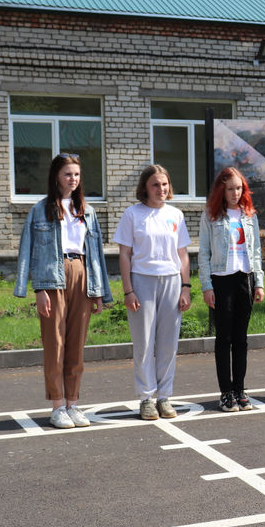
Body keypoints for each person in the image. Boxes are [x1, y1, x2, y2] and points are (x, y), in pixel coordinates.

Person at [14, 153, 113, 429]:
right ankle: (57, 405)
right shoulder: (40, 210)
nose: (73, 179)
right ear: (56, 176)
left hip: (81, 272)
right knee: (55, 344)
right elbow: (28, 250)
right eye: (68, 174)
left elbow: (96, 254)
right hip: (52, 279)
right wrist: (38, 289)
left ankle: (73, 403)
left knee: (76, 344)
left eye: (77, 174)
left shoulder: (87, 211)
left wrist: (98, 291)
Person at [114, 164, 193, 421]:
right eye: (155, 185)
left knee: (169, 343)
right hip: (142, 281)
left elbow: (182, 254)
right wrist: (128, 290)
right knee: (144, 343)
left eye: (164, 184)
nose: (161, 189)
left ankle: (164, 396)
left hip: (171, 281)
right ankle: (146, 397)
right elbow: (124, 254)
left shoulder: (175, 215)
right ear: (145, 188)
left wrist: (185, 287)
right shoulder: (132, 214)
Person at [199, 167, 265, 413]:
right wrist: (207, 286)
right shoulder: (211, 216)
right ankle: (226, 392)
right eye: (230, 189)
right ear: (221, 190)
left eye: (239, 188)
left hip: (243, 279)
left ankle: (239, 389)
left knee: (241, 339)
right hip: (221, 280)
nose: (235, 193)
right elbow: (204, 253)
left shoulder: (249, 215)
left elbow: (256, 251)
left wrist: (259, 282)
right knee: (223, 338)